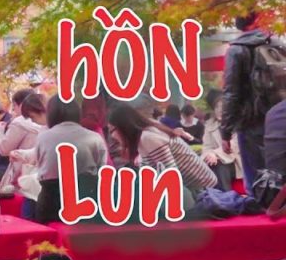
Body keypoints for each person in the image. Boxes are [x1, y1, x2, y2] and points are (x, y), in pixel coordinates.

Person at [108, 104, 217, 206]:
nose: (112, 135)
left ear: (124, 127)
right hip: (195, 187)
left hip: (202, 191)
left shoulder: (147, 138)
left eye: (112, 130)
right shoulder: (146, 134)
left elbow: (171, 177)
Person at [32, 97, 109, 223]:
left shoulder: (43, 137)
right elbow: (102, 167)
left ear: (51, 114)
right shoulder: (94, 138)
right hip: (86, 198)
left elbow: (40, 164)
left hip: (51, 202)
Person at [221, 11, 273, 194]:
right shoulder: (277, 45)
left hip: (249, 119)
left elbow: (231, 94)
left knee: (254, 172)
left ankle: (260, 206)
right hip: (278, 117)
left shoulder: (236, 50)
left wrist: (225, 132)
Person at [0, 93, 46, 219]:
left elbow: (4, 148)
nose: (31, 120)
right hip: (34, 180)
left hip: (30, 181)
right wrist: (22, 154)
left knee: (28, 219)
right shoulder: (46, 128)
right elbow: (39, 150)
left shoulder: (19, 123)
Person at [202, 89, 241, 191]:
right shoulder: (210, 125)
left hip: (237, 161)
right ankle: (212, 198)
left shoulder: (238, 122)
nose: (220, 110)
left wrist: (215, 154)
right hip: (219, 160)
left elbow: (235, 145)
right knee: (211, 164)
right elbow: (207, 147)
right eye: (216, 107)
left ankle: (225, 199)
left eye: (223, 106)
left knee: (220, 166)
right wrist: (210, 155)